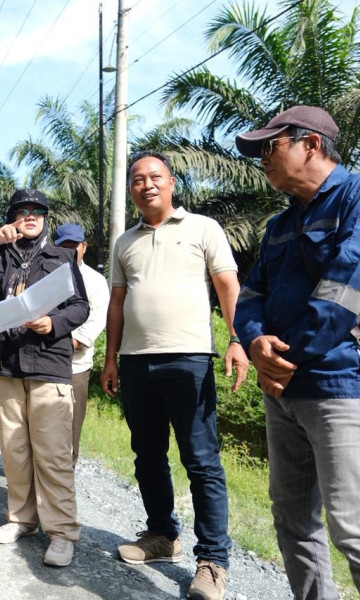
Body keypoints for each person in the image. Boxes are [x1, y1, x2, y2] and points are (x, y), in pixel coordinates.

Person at [233, 105, 360, 599]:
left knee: (357, 529)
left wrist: (284, 361)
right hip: (283, 390)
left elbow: (348, 294)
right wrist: (254, 342)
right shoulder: (279, 224)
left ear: (310, 144)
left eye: (270, 148)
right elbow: (250, 297)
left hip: (339, 388)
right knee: (292, 520)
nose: (262, 161)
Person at [100, 151, 248, 600]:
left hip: (189, 359)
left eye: (155, 177)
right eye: (137, 180)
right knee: (147, 455)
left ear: (171, 182)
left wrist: (237, 339)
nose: (146, 185)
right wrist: (111, 359)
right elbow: (117, 303)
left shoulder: (203, 228)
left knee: (201, 460)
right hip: (136, 362)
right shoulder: (124, 242)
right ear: (130, 190)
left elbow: (227, 286)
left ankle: (212, 561)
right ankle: (162, 536)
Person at [0, 189, 89, 568]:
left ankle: (62, 532)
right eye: (21, 212)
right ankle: (22, 519)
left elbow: (80, 306)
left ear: (46, 217)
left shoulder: (62, 256)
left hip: (47, 364)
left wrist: (53, 323)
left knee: (52, 455)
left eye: (36, 211)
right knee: (14, 451)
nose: (29, 216)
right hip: (3, 366)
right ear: (12, 218)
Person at [52, 223, 109, 464]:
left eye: (73, 246)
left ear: (84, 247)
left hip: (76, 366)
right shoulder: (46, 274)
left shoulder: (95, 281)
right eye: (63, 246)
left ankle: (64, 484)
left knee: (71, 427)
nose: (69, 251)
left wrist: (73, 342)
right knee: (42, 428)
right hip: (43, 366)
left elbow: (97, 317)